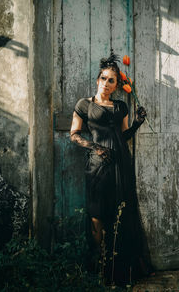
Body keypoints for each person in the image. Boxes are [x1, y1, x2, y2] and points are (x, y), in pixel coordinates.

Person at [69, 50, 154, 287]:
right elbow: (73, 135)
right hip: (97, 166)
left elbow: (123, 135)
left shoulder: (120, 106)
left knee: (121, 214)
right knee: (97, 216)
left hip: (120, 164)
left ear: (117, 86)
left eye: (111, 80)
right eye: (104, 78)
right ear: (98, 79)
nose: (106, 83)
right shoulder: (84, 105)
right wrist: (95, 147)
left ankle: (117, 270)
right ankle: (98, 267)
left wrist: (137, 123)